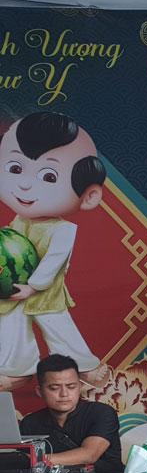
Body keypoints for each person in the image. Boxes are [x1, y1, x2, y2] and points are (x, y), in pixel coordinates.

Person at [0, 112, 113, 393]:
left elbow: (53, 261)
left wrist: (34, 286)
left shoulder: (62, 230)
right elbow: (10, 243)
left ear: (89, 196)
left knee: (58, 327)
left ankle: (86, 366)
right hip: (16, 288)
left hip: (45, 291)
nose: (25, 185)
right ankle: (17, 371)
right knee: (12, 326)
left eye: (48, 176)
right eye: (15, 169)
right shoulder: (19, 221)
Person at [18, 353, 122, 473]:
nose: (64, 394)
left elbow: (89, 455)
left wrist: (35, 460)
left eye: (71, 386)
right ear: (40, 391)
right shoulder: (30, 422)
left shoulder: (102, 413)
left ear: (80, 387)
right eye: (54, 388)